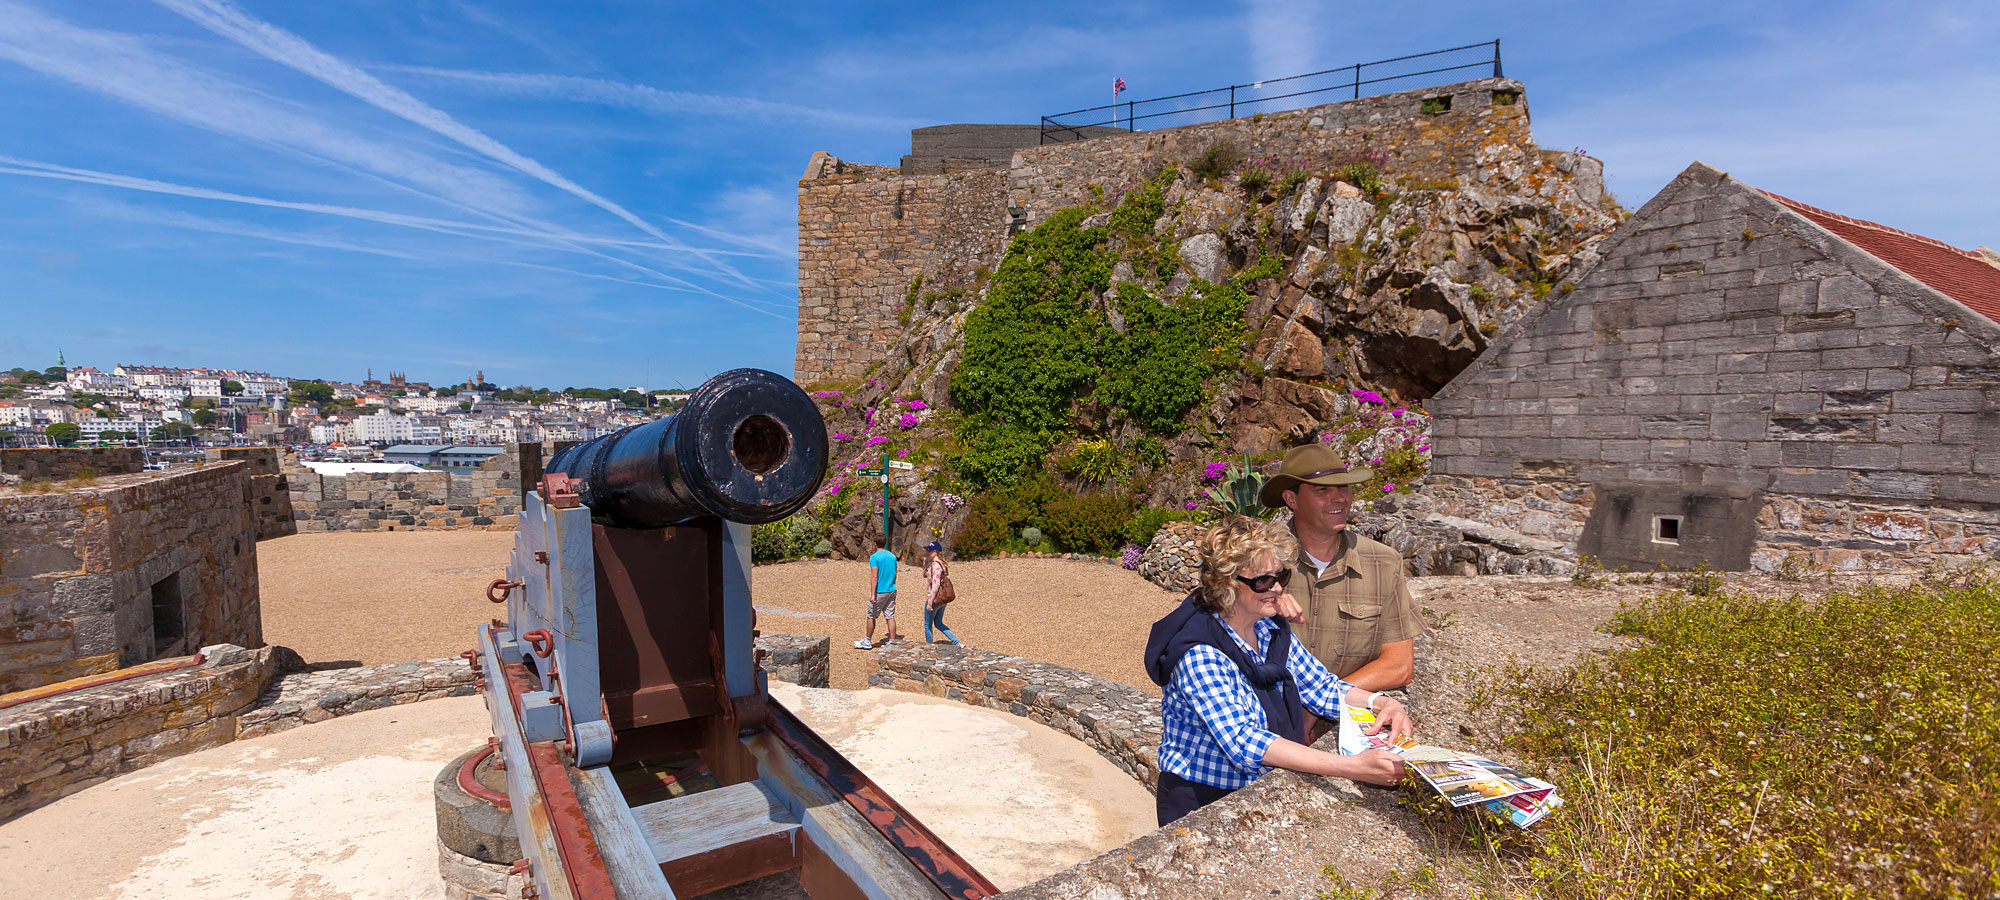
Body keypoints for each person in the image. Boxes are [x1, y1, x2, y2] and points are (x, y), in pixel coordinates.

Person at [1145, 516, 1413, 826]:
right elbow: (1244, 741)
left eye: (1280, 576)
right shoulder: (1200, 653)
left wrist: (1380, 703)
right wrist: (1352, 766)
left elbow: (1322, 688)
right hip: (1201, 799)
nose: (1276, 588)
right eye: (1263, 580)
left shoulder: (1268, 629)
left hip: (1254, 790)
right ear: (1228, 584)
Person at [1259, 444, 1424, 696]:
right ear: (1291, 499)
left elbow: (1399, 665)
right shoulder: (1256, 561)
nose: (1339, 499)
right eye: (1322, 490)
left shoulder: (1383, 563)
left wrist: (1323, 699)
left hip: (1342, 717)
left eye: (1343, 488)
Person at [855, 534, 900, 650]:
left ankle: (867, 640)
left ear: (875, 543)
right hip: (891, 589)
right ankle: (892, 641)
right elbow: (895, 573)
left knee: (871, 616)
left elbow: (874, 576)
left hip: (880, 591)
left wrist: (873, 594)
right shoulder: (892, 556)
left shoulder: (874, 557)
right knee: (890, 616)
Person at [921, 541, 963, 647]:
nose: (927, 552)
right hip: (942, 599)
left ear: (936, 552)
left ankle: (929, 647)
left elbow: (935, 585)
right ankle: (957, 642)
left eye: (929, 551)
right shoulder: (940, 564)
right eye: (926, 550)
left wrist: (930, 602)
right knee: (938, 623)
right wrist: (925, 564)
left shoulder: (936, 566)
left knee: (927, 625)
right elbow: (925, 575)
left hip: (934, 598)